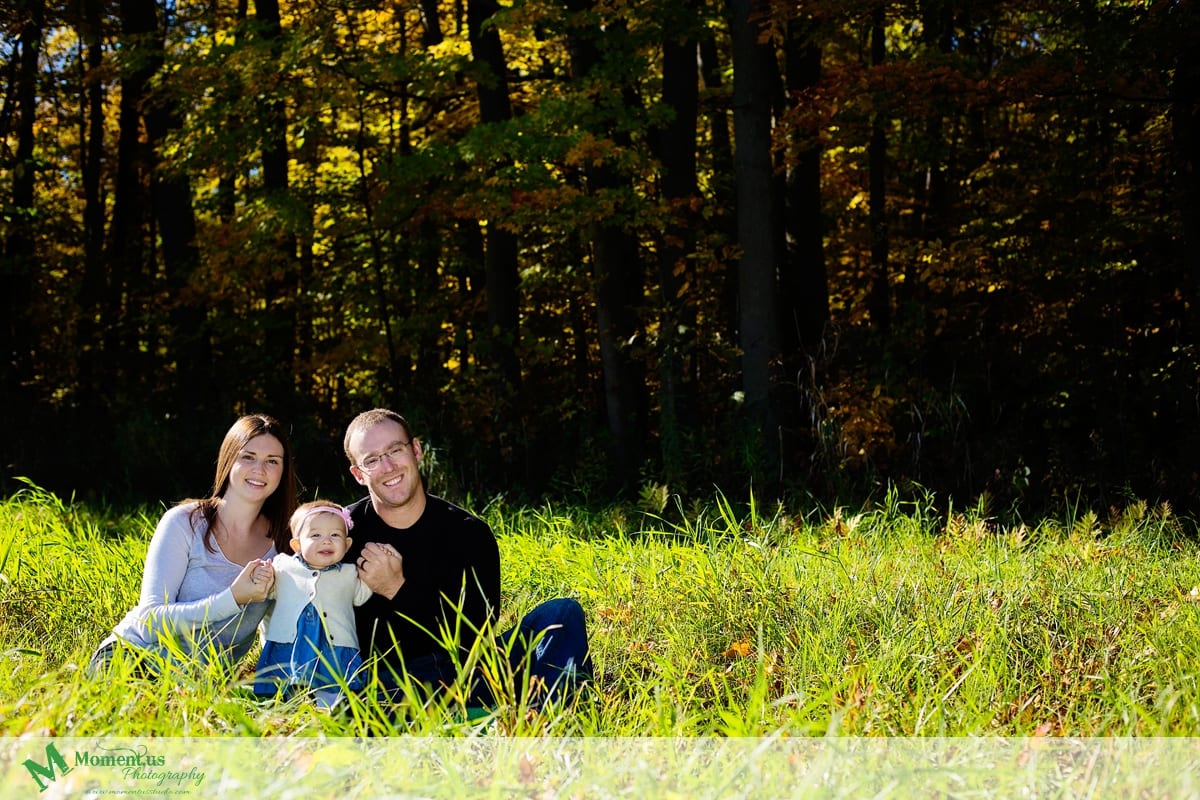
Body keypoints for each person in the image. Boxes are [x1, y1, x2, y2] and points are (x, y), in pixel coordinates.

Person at [343, 408, 591, 709]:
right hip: (391, 684)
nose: (388, 466)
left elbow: (475, 637)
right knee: (366, 697)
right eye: (372, 460)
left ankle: (541, 723)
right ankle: (487, 717)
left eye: (395, 450)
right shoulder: (342, 534)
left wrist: (398, 589)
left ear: (417, 450)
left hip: (468, 672)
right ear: (358, 474)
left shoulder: (468, 533)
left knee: (561, 614)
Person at [88, 414, 298, 674]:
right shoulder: (185, 523)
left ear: (283, 470)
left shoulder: (286, 544)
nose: (259, 470)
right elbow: (149, 621)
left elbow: (278, 626)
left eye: (272, 461)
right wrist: (232, 599)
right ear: (229, 459)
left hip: (201, 682)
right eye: (248, 457)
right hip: (135, 656)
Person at [254, 501, 372, 707]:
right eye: (315, 535)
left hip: (334, 645)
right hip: (291, 644)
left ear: (347, 544)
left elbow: (360, 596)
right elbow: (267, 591)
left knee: (333, 686)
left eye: (335, 535)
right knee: (289, 689)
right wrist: (262, 576)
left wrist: (373, 577)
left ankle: (331, 712)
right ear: (297, 545)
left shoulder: (349, 573)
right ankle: (291, 713)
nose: (326, 541)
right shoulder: (283, 567)